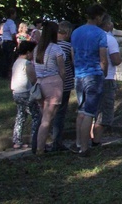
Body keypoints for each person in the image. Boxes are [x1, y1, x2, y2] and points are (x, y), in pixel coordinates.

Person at [71, 4, 108, 157]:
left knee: (80, 110)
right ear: (98, 16)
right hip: (94, 74)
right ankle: (85, 148)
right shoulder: (100, 33)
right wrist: (103, 73)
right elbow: (103, 58)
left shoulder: (76, 32)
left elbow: (73, 55)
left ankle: (79, 143)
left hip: (79, 75)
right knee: (89, 112)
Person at [33, 21, 66, 154]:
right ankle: (40, 148)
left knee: (43, 116)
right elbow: (62, 70)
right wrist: (62, 81)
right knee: (48, 119)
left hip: (40, 83)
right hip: (53, 83)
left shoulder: (37, 49)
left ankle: (39, 145)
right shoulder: (56, 49)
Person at [92, 15, 122, 147]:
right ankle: (96, 141)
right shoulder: (109, 38)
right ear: (107, 24)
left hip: (89, 76)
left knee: (90, 111)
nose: (112, 25)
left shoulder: (91, 37)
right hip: (106, 77)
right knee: (103, 111)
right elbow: (115, 60)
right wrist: (120, 58)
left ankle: (85, 140)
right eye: (110, 22)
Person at [10, 41, 40, 150]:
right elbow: (33, 79)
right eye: (33, 52)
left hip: (16, 92)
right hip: (26, 93)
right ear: (28, 52)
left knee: (21, 116)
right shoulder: (27, 64)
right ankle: (36, 139)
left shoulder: (16, 62)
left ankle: (16, 140)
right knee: (37, 116)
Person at [50, 21, 74, 151]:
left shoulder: (49, 46)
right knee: (60, 113)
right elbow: (73, 62)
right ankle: (57, 141)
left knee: (49, 113)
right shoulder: (67, 46)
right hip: (65, 83)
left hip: (49, 83)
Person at [0, 7, 18, 78]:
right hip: (9, 42)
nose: (15, 15)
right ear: (12, 14)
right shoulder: (11, 23)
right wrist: (15, 42)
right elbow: (13, 34)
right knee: (9, 59)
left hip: (5, 42)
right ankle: (7, 74)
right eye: (15, 14)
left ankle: (2, 73)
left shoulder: (6, 23)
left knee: (5, 58)